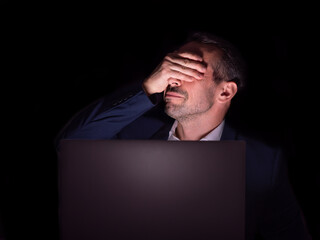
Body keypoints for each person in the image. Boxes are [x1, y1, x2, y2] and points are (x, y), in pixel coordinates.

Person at [54, 31, 312, 240]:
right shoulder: (133, 132)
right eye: (172, 66)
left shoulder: (262, 164)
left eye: (189, 69)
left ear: (225, 92)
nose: (173, 78)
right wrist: (147, 87)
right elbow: (69, 147)